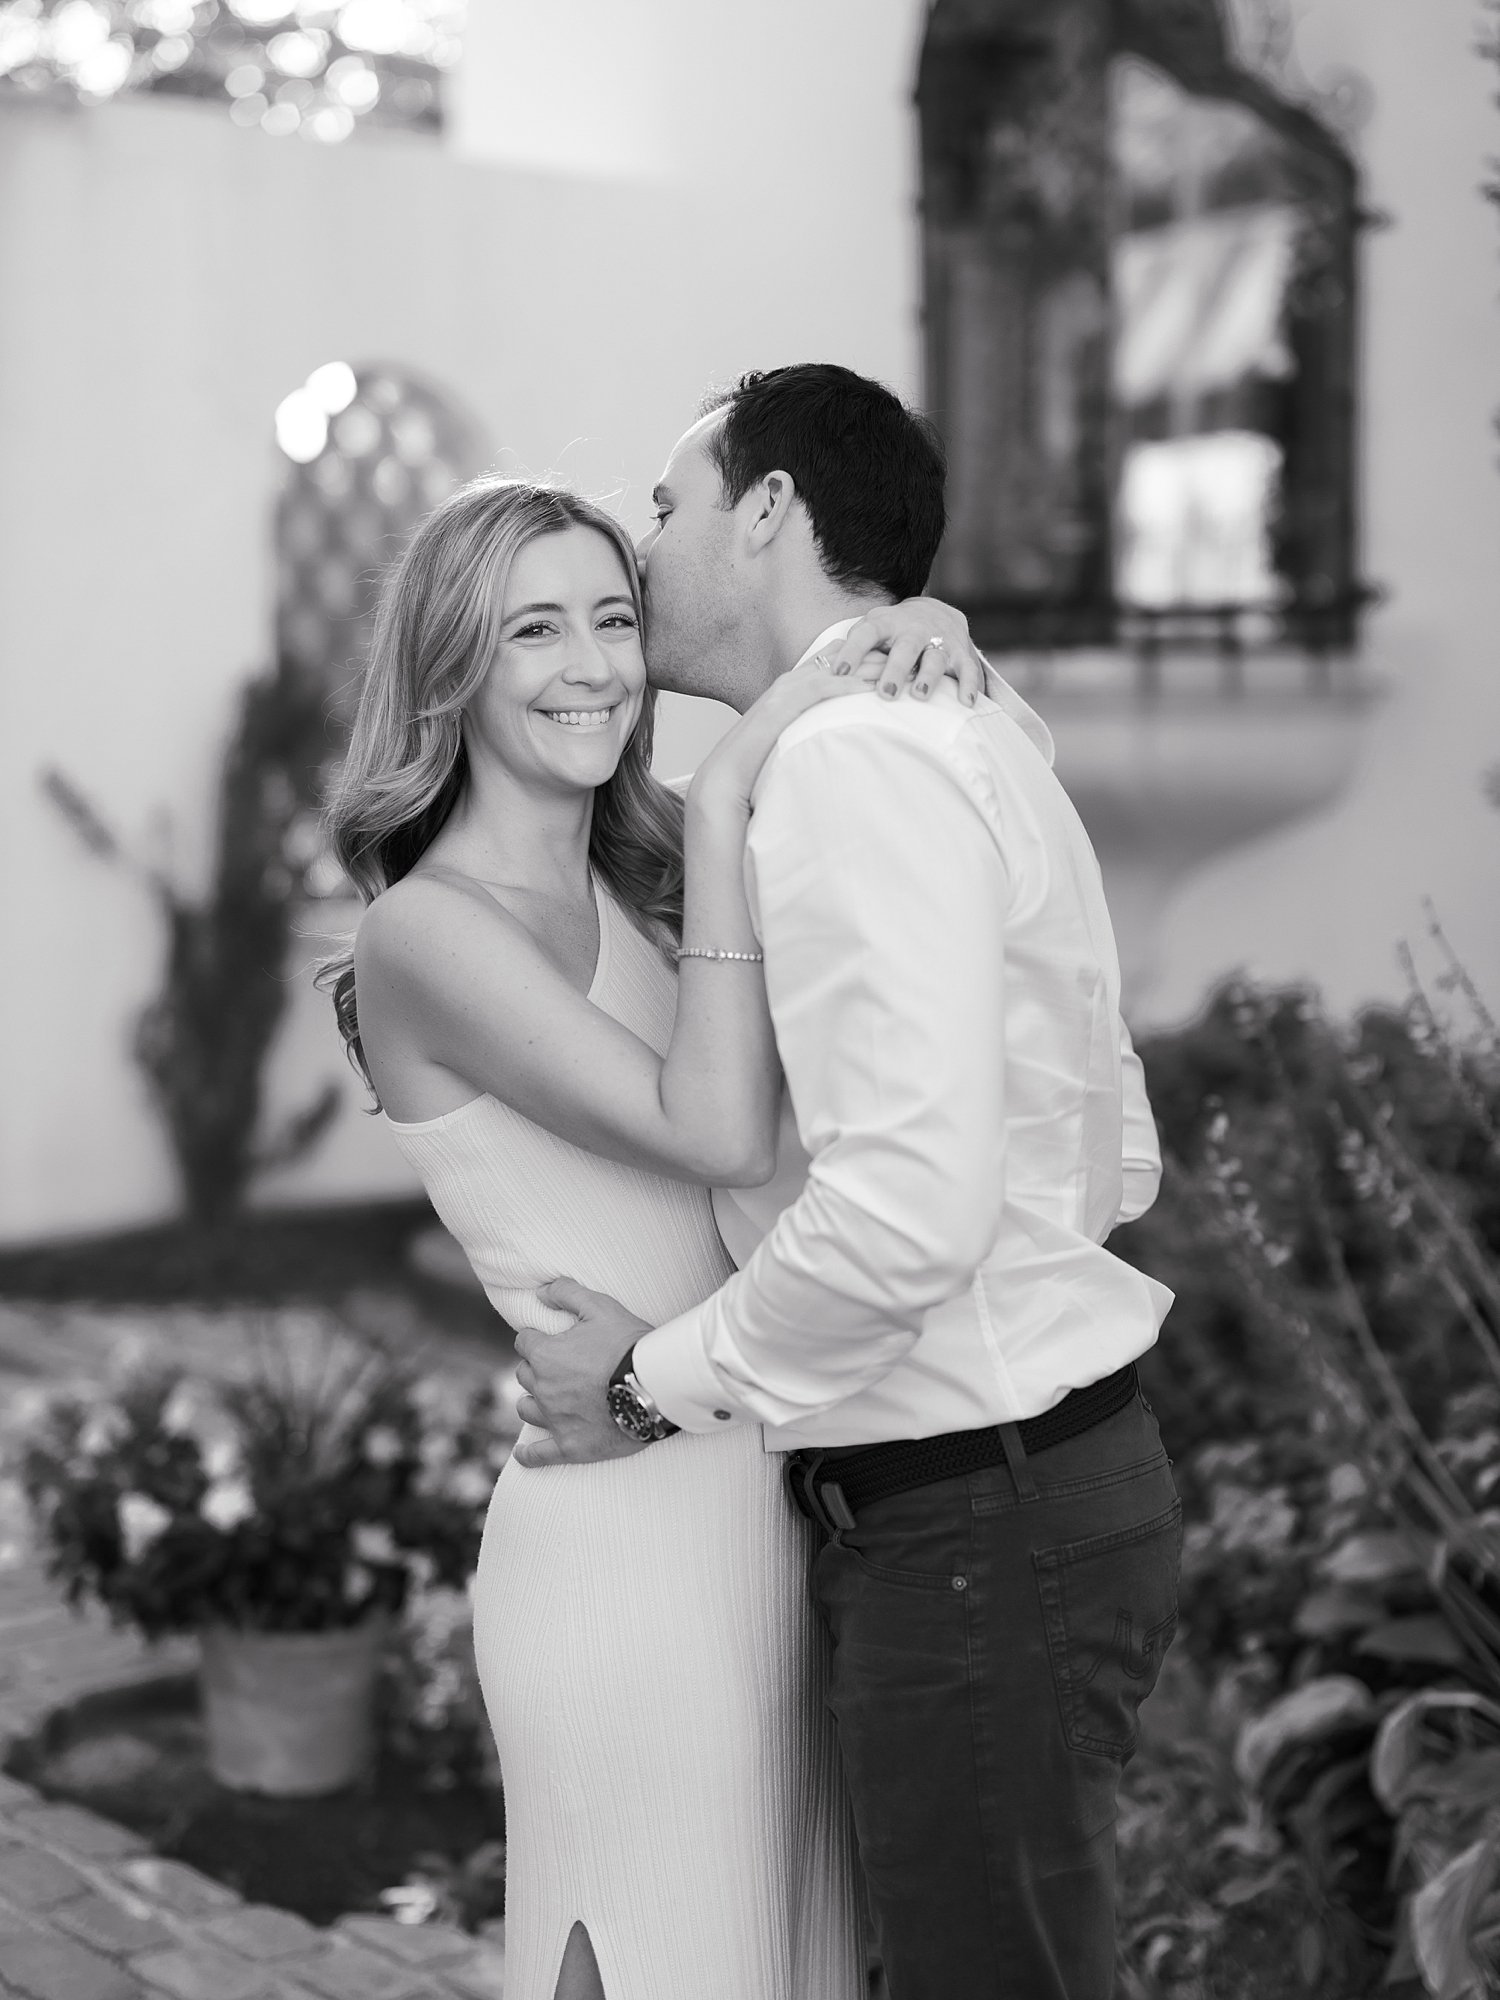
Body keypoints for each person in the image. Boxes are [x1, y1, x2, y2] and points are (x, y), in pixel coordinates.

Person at [516, 362, 1182, 2000]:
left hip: (975, 1506)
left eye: (666, 504)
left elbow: (905, 1209)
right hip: (1017, 1489)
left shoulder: (849, 763)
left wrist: (646, 1386)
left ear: (767, 510)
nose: (640, 539)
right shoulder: (943, 723)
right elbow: (1119, 1150)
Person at [320, 470, 985, 2000]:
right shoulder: (425, 932)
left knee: (787, 1960)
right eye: (534, 631)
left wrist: (905, 629)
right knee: (649, 1956)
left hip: (771, 1493)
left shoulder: (663, 861)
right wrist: (757, 768)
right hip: (617, 1547)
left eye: (615, 619)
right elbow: (719, 1134)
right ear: (449, 671)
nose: (597, 667)